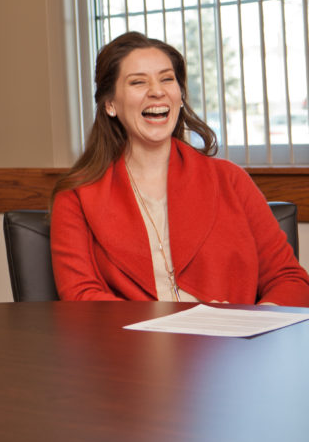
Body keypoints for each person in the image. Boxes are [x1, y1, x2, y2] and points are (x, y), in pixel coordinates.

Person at [51, 31, 309, 305]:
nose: (157, 91)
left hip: (233, 344)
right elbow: (81, 297)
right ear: (110, 104)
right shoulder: (76, 196)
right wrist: (171, 325)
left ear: (181, 95)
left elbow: (288, 279)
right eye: (138, 82)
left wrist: (252, 321)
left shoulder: (230, 180)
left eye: (167, 79)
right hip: (129, 344)